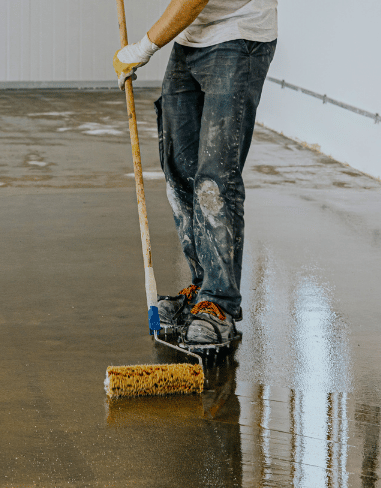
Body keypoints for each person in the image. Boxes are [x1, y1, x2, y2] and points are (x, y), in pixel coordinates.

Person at [113, 0, 277, 345]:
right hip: (191, 38)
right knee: (179, 170)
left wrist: (142, 49)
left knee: (215, 181)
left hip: (238, 37)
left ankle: (219, 303)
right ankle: (203, 287)